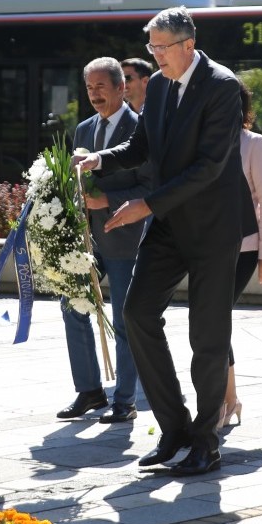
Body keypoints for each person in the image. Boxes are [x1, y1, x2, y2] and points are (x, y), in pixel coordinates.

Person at [74, 6, 244, 477]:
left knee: (207, 337)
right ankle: (174, 431)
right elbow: (141, 147)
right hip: (169, 225)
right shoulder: (162, 86)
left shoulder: (223, 86)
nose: (154, 56)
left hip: (212, 228)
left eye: (160, 47)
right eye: (151, 47)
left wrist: (146, 205)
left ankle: (206, 443)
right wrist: (98, 160)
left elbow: (208, 167)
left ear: (188, 44)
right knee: (136, 313)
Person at [58, 57, 150, 424]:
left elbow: (151, 186)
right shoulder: (83, 129)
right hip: (87, 241)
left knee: (125, 320)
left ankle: (125, 400)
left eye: (101, 87)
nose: (95, 94)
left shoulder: (140, 129)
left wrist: (107, 200)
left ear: (121, 88)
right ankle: (90, 390)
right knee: (72, 305)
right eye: (89, 88)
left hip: (127, 239)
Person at [222, 81, 262, 429]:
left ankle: (225, 400)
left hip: (244, 248)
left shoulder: (255, 144)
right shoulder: (205, 142)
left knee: (215, 319)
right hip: (207, 248)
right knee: (211, 321)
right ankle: (229, 398)